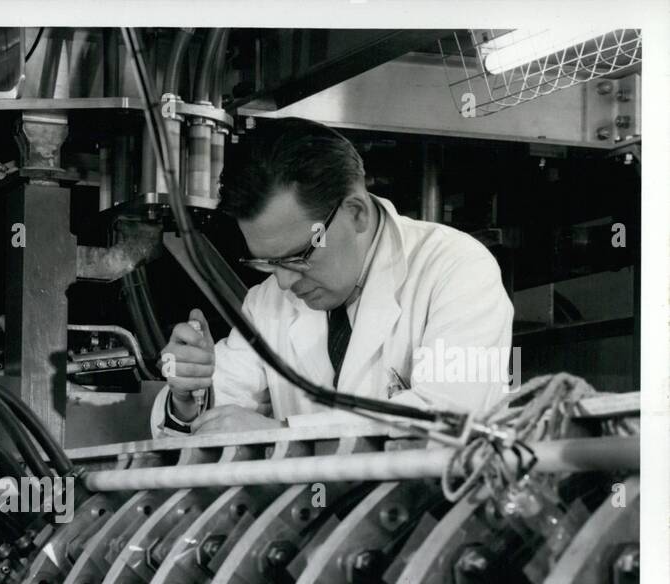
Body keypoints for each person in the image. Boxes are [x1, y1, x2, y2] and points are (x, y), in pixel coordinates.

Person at [152, 117, 515, 436]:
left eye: (298, 256)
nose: (283, 283)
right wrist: (188, 396)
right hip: (315, 510)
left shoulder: (456, 269)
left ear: (355, 212)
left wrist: (283, 435)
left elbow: (447, 419)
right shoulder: (267, 303)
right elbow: (215, 417)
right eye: (267, 263)